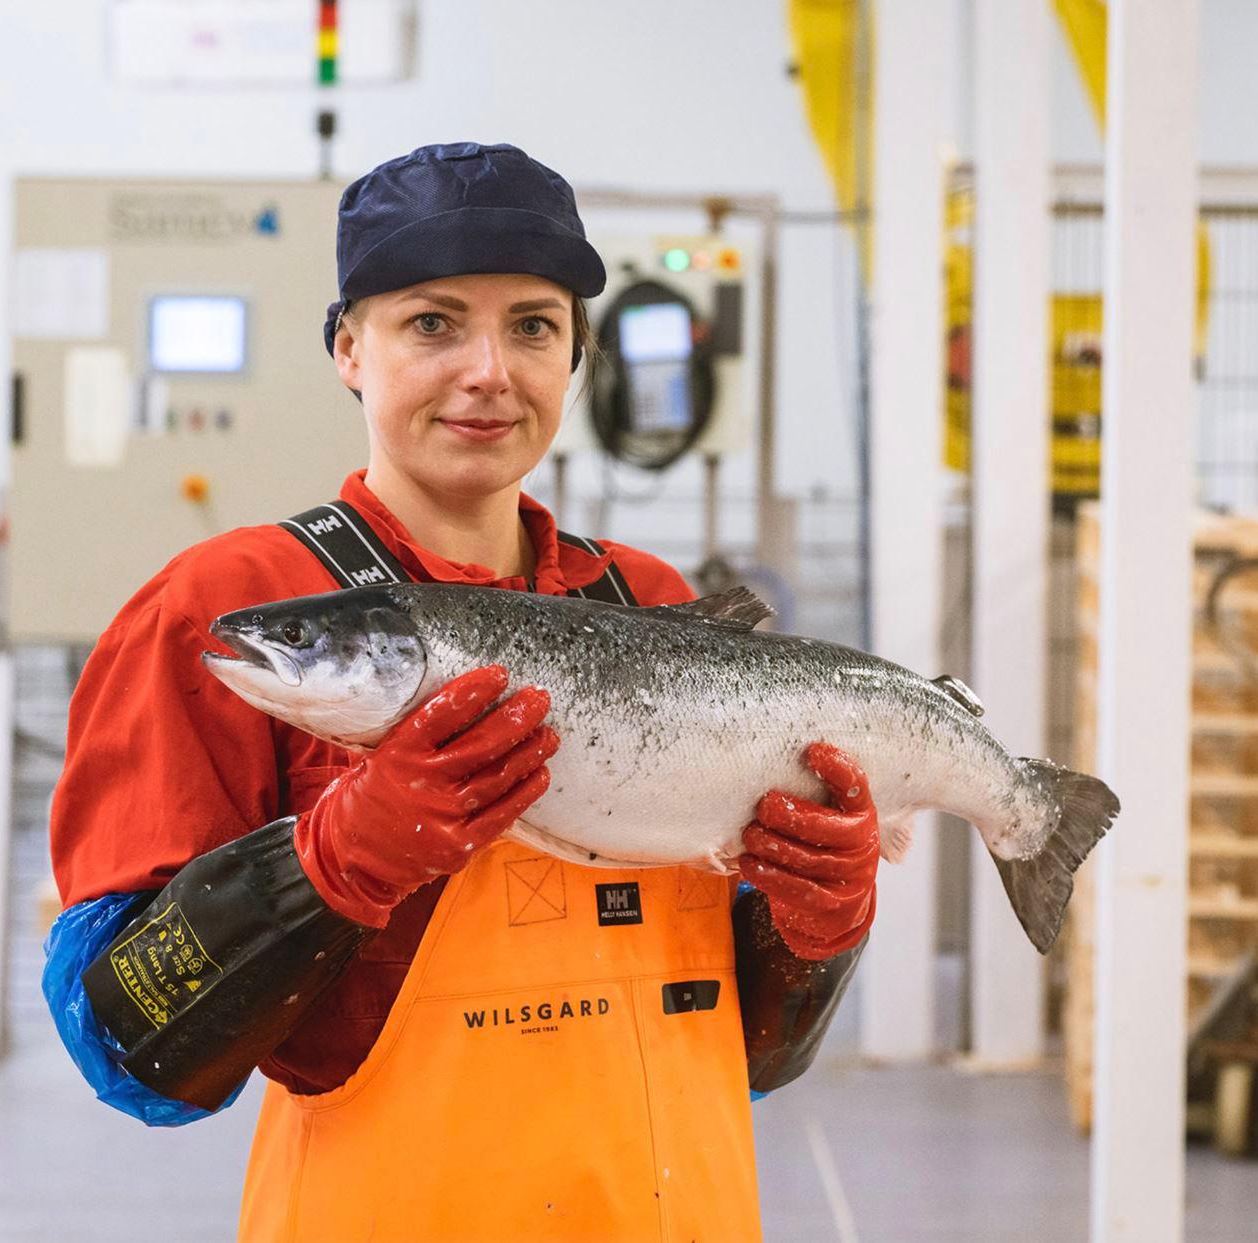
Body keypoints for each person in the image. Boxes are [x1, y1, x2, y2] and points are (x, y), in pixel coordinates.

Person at [44, 141, 880, 1242]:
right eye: (433, 323)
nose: (490, 370)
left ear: (575, 356)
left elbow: (756, 1052)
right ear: (349, 347)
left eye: (533, 325)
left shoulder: (655, 604)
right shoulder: (233, 608)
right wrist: (325, 867)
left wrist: (815, 929)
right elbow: (122, 1041)